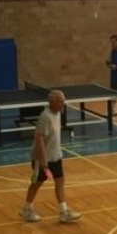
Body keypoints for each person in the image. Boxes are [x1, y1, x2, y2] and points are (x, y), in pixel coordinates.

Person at [19, 89, 82, 224]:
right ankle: (26, 208)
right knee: (36, 183)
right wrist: (43, 161)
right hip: (42, 159)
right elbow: (39, 140)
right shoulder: (45, 117)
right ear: (53, 102)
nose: (63, 104)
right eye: (61, 101)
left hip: (56, 156)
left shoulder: (58, 113)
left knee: (60, 181)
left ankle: (63, 212)